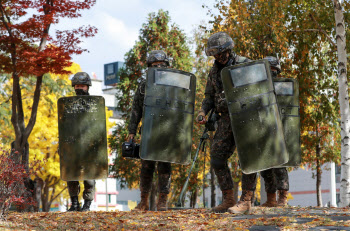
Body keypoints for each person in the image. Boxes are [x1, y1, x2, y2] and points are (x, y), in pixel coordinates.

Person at [196, 32, 250, 213]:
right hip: (225, 119)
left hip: (245, 117)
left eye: (220, 53)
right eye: (214, 54)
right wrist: (203, 111)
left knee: (248, 158)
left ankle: (246, 201)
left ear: (228, 50)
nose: (217, 57)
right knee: (217, 158)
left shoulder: (244, 64)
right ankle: (228, 199)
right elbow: (209, 96)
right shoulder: (213, 71)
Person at [228, 56, 289, 214]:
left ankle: (282, 197)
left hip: (277, 130)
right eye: (268, 71)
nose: (271, 74)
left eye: (274, 71)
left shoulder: (281, 87)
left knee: (279, 165)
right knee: (264, 166)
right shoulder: (255, 87)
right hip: (260, 129)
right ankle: (270, 199)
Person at [127, 50, 172, 211]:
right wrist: (132, 131)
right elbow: (136, 110)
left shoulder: (173, 84)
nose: (158, 67)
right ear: (149, 68)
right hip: (148, 133)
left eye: (161, 65)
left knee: (165, 168)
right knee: (146, 168)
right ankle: (144, 201)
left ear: (167, 66)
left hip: (167, 133)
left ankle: (162, 202)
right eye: (154, 66)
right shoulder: (143, 87)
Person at [66, 72, 96, 212]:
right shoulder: (68, 105)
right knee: (72, 175)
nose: (79, 88)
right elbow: (63, 126)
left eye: (82, 86)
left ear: (87, 87)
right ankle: (74, 203)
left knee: (89, 178)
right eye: (77, 85)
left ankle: (87, 205)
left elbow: (99, 126)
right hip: (72, 146)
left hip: (90, 146)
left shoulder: (95, 104)